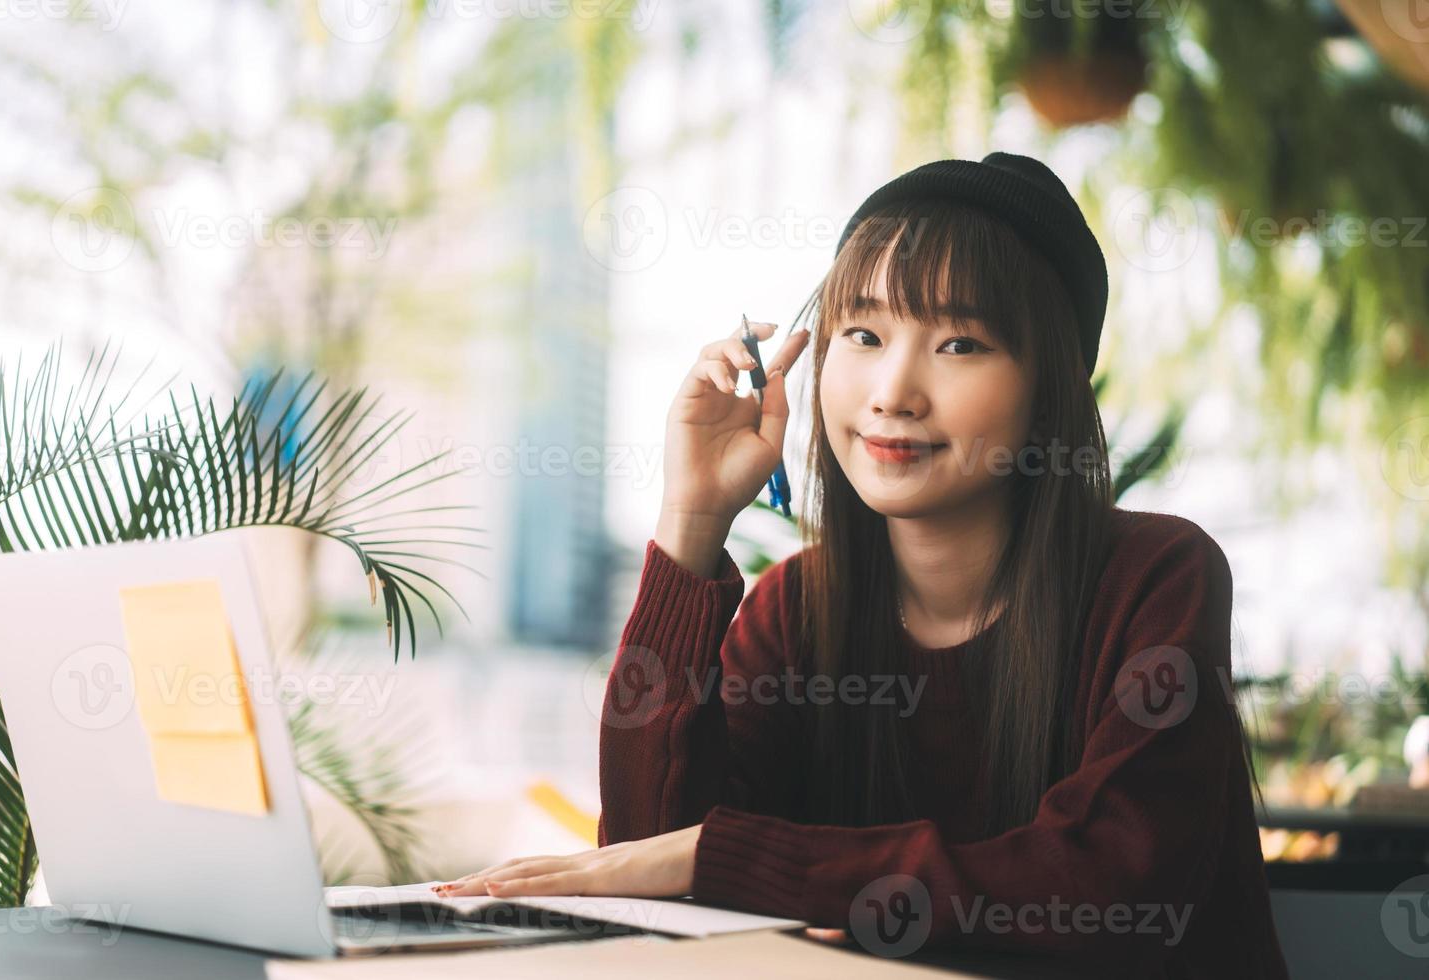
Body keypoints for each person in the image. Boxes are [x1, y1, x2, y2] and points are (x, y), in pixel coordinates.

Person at [436, 153, 1290, 978]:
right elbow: (650, 854)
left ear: (1052, 390)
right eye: (865, 333)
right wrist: (691, 525)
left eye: (959, 344)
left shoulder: (1159, 578)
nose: (893, 390)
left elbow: (1103, 889)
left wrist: (721, 855)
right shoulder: (795, 612)